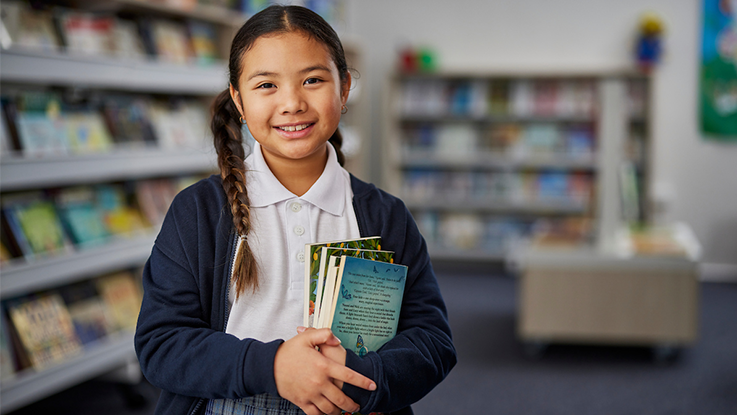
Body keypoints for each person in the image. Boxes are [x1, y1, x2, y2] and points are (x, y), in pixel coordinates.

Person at [134, 5, 456, 415]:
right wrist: (273, 366)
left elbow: (432, 341)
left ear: (343, 89)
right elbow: (161, 344)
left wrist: (367, 375)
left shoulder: (384, 215)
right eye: (266, 85)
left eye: (313, 80)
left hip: (351, 401)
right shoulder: (198, 211)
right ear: (239, 101)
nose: (292, 103)